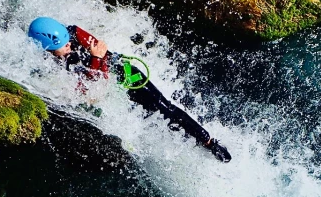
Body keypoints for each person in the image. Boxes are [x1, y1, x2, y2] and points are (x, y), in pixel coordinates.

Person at [28, 17, 231, 163]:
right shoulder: (55, 62)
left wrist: (97, 60)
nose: (69, 47)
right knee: (148, 120)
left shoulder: (73, 33)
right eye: (62, 47)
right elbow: (90, 91)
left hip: (124, 73)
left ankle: (209, 141)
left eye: (67, 43)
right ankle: (180, 145)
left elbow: (101, 69)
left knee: (164, 107)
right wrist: (95, 60)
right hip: (108, 86)